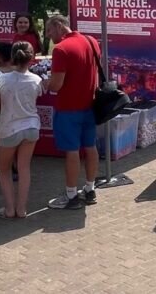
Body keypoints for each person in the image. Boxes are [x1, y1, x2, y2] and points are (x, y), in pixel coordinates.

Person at [45, 15, 99, 210]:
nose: (48, 36)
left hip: (68, 109)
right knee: (90, 147)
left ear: (59, 26)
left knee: (72, 151)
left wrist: (46, 82)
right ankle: (90, 189)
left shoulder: (61, 49)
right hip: (90, 105)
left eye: (49, 30)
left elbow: (56, 85)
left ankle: (71, 195)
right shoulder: (91, 41)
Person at [0, 41, 43, 218]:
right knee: (24, 169)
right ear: (31, 57)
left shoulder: (3, 79)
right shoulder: (37, 80)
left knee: (4, 170)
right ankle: (21, 209)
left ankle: (9, 209)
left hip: (9, 128)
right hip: (31, 127)